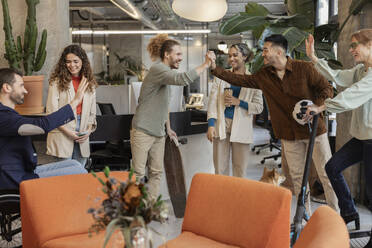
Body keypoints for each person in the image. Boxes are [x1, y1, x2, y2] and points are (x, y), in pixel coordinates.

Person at [209, 34, 338, 213]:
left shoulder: (305, 68)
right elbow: (241, 80)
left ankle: (334, 215)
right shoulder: (264, 75)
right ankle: (305, 217)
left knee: (326, 174)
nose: (262, 54)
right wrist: (215, 68)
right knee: (298, 178)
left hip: (314, 131)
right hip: (288, 134)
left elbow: (326, 88)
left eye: (265, 50)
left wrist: (317, 107)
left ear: (279, 51)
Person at [305, 29, 372, 241]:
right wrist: (314, 58)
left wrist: (323, 106)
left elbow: (352, 95)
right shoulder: (361, 70)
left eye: (355, 45)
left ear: (370, 45)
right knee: (332, 167)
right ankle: (349, 212)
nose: (351, 50)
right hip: (362, 137)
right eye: (351, 45)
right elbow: (340, 77)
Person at [131, 36, 213, 200]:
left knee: (156, 172)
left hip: (159, 132)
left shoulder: (165, 74)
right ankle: (134, 211)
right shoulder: (157, 69)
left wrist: (168, 128)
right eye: (178, 54)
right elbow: (182, 79)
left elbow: (164, 105)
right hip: (143, 130)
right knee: (138, 174)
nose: (181, 58)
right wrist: (205, 65)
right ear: (167, 55)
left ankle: (151, 209)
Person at [0, 68, 88, 189]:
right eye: (21, 85)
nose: (25, 91)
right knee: (80, 172)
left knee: (75, 164)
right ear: (7, 87)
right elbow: (42, 126)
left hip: (23, 172)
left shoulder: (7, 114)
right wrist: (75, 101)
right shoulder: (3, 117)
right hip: (15, 179)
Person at [207, 43, 263, 177]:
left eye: (235, 55)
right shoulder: (222, 76)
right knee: (220, 168)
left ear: (244, 56)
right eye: (229, 56)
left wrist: (239, 102)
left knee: (240, 169)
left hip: (241, 126)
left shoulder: (253, 80)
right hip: (222, 123)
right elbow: (213, 101)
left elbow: (259, 107)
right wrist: (211, 124)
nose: (231, 59)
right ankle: (222, 197)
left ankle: (238, 197)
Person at [46, 45, 97, 167]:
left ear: (83, 62)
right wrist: (68, 132)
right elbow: (51, 113)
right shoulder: (56, 82)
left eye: (75, 61)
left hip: (82, 133)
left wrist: (88, 132)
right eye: (68, 62)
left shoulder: (89, 83)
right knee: (64, 176)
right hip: (62, 130)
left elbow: (92, 115)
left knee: (79, 174)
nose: (72, 65)